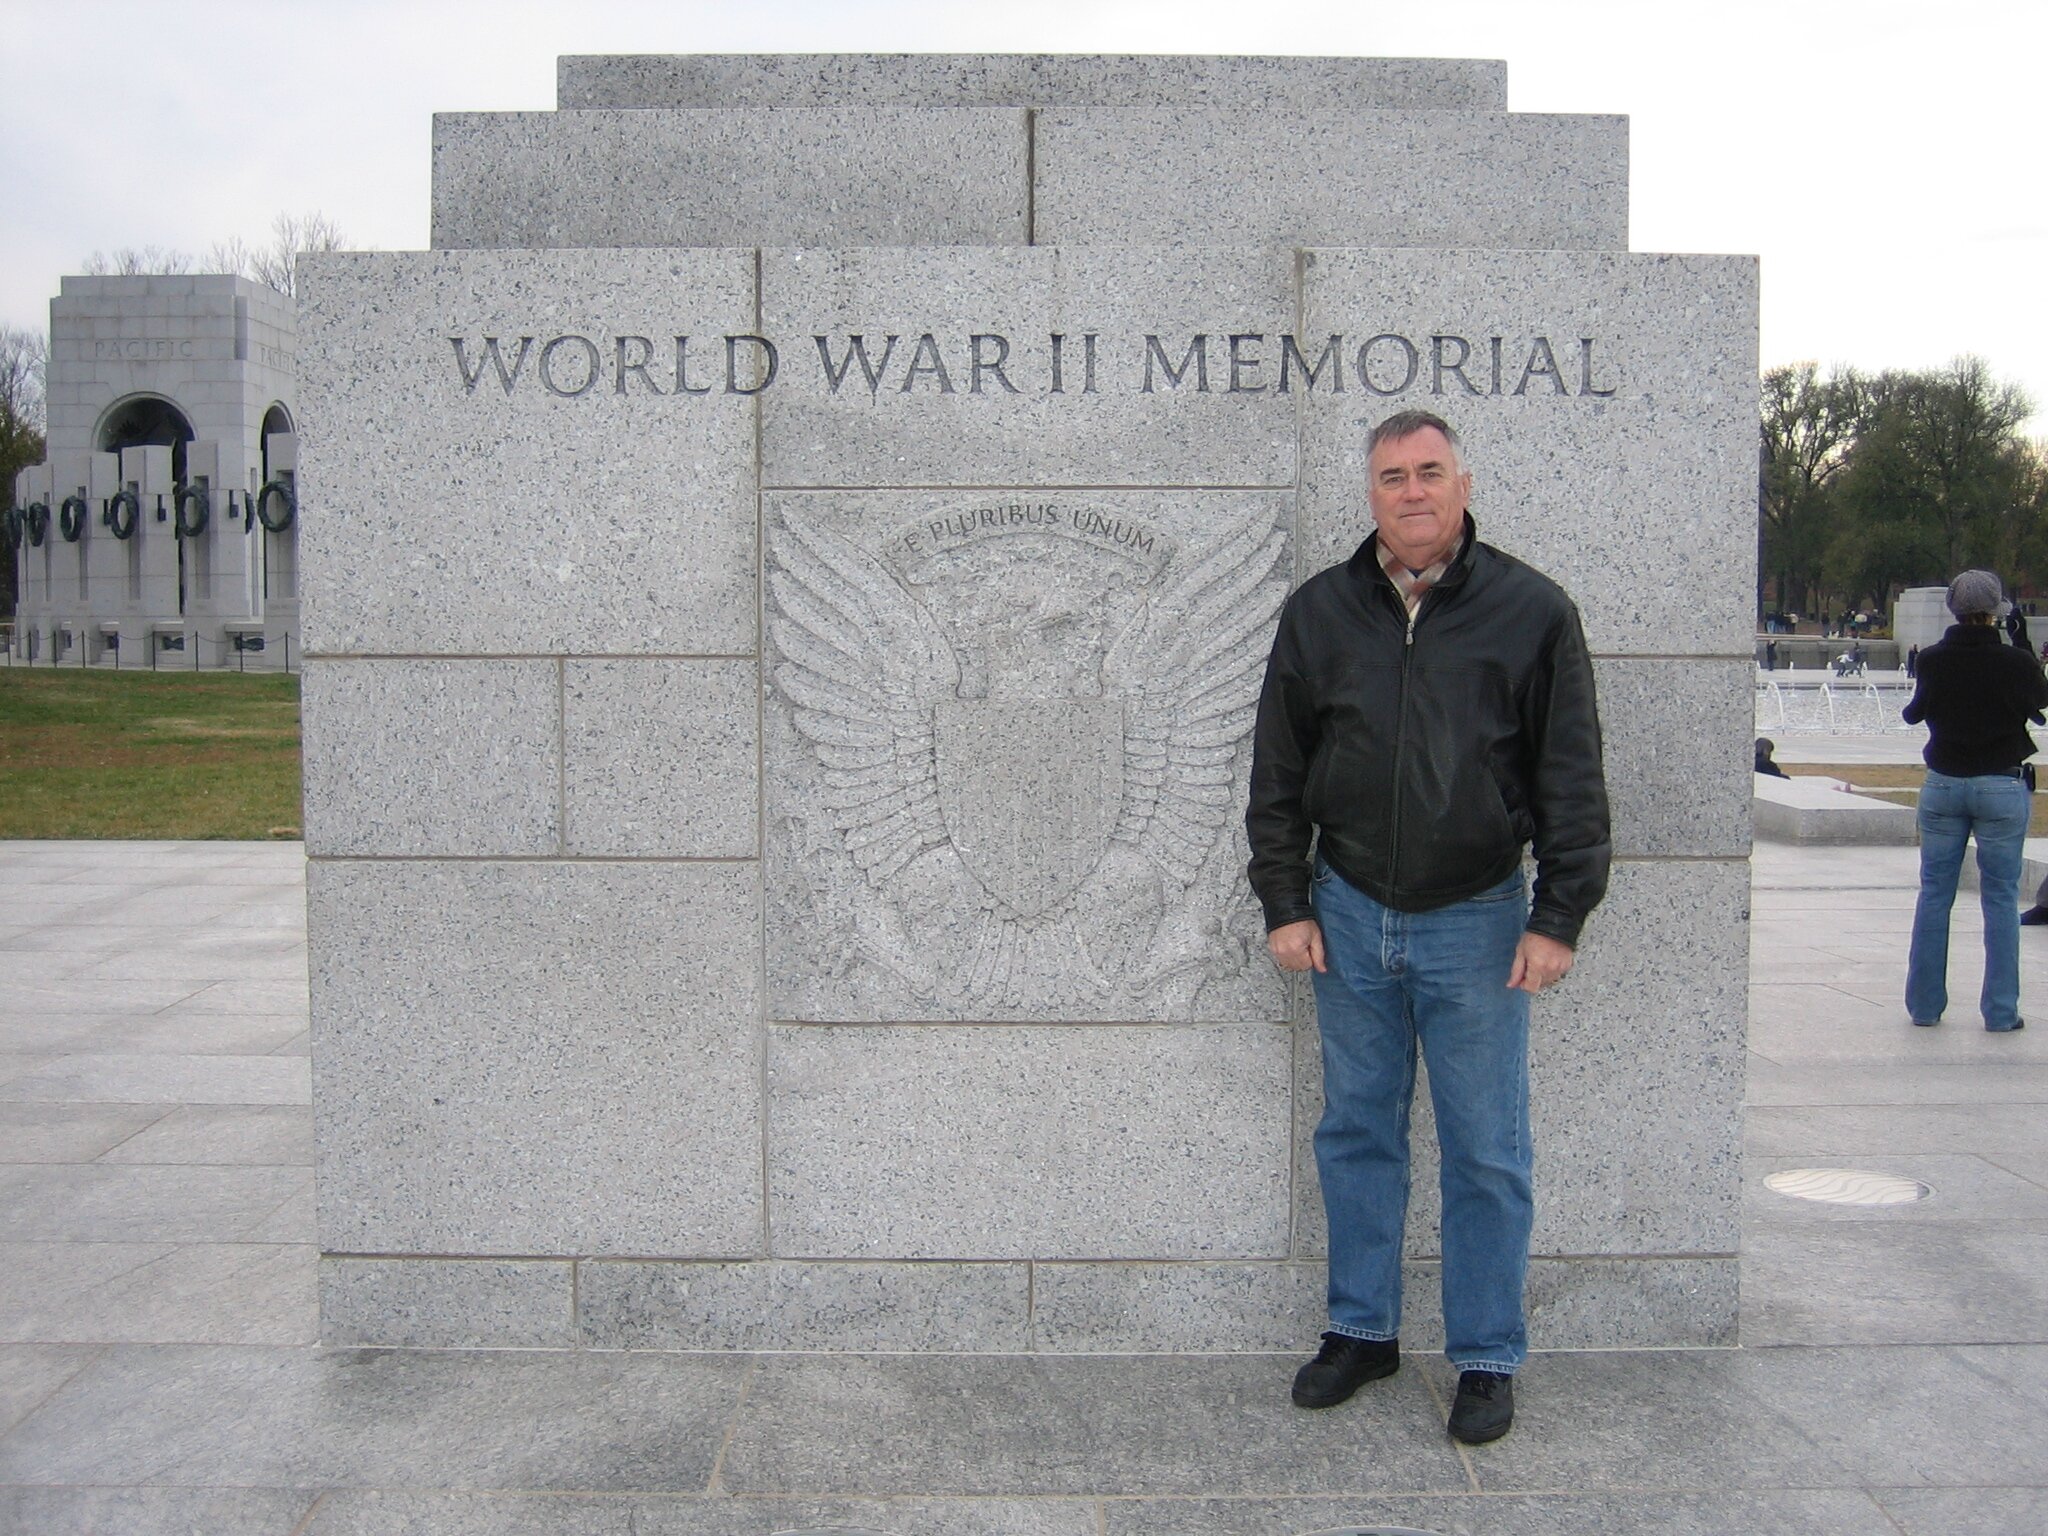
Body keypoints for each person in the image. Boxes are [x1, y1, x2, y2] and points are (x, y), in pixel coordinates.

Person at [1246, 409, 1610, 1446]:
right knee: (1356, 1132)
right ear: (1369, 494)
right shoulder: (1320, 613)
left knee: (1485, 1148)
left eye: (1429, 472)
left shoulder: (1532, 611)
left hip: (1479, 922)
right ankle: (1361, 1332)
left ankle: (1486, 1355)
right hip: (1347, 912)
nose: (1411, 491)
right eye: (1392, 476)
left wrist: (1558, 914)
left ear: (1461, 485)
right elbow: (1277, 771)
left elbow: (1570, 775)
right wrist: (1285, 900)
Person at [1901, 569, 2048, 1031]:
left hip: (1944, 783)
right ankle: (2001, 1012)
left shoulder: (1932, 659)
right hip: (2000, 784)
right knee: (2001, 899)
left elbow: (1914, 714)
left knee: (1934, 895)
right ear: (1995, 612)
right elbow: (2041, 703)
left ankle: (1925, 1006)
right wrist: (2022, 645)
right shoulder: (2014, 661)